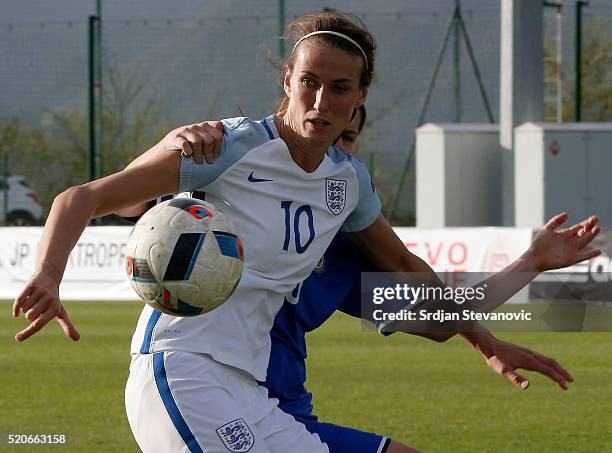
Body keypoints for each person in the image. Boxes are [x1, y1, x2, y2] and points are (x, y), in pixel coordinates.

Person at [12, 10, 600, 453]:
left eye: (340, 89)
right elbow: (88, 198)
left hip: (256, 396)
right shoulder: (227, 145)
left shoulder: (347, 190)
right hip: (185, 371)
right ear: (288, 80)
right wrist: (47, 273)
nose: (321, 101)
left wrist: (523, 275)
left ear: (360, 99)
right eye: (308, 82)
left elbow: (419, 291)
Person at [165, 106, 579, 453]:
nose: (335, 149)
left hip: (287, 415)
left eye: (348, 139)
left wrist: (529, 266)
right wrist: (176, 142)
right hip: (220, 399)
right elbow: (136, 207)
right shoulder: (239, 194)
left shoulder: (346, 254)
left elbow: (436, 320)